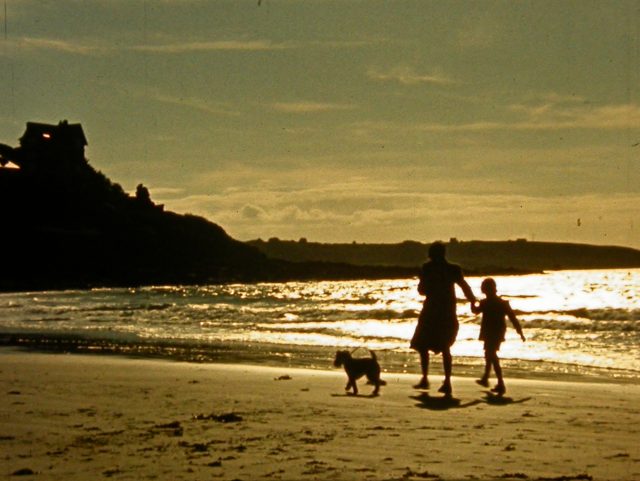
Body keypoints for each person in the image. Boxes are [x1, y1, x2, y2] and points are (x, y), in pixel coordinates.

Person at [410, 242, 476, 395]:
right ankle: (447, 381)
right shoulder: (453, 269)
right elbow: (464, 286)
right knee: (445, 346)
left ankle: (425, 378)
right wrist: (472, 301)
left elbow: (422, 291)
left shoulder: (427, 268)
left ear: (431, 254)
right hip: (447, 311)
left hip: (431, 310)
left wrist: (422, 279)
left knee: (423, 345)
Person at [472, 277, 526, 395]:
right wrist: (519, 331)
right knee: (489, 353)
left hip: (492, 331)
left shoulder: (486, 303)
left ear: (486, 289)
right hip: (496, 331)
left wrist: (472, 302)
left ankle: (499, 383)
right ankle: (487, 379)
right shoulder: (500, 303)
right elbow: (513, 318)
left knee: (491, 354)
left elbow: (474, 311)